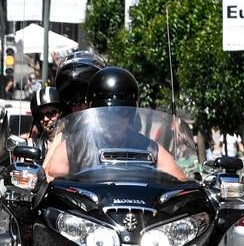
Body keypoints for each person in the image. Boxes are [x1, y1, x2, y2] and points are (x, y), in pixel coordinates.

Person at [44, 67, 185, 181]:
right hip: (89, 213)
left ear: (131, 114)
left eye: (120, 113)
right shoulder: (75, 145)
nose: (113, 121)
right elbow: (50, 176)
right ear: (93, 113)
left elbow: (180, 179)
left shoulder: (147, 146)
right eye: (105, 114)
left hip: (136, 213)